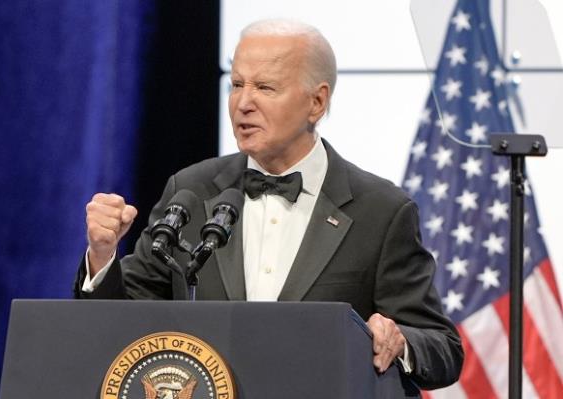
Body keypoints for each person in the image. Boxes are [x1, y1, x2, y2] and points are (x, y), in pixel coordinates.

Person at [75, 19, 463, 390]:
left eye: (265, 87)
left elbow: (442, 347)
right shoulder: (191, 190)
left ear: (316, 102)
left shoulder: (380, 209)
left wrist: (400, 341)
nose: (243, 103)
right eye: (237, 83)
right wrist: (103, 256)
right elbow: (122, 319)